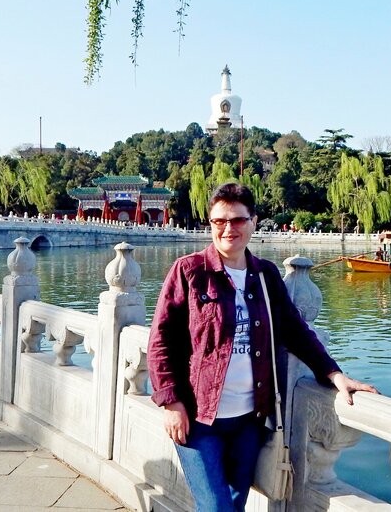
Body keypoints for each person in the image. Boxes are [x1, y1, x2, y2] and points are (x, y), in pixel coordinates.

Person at [148, 182, 378, 511]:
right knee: (215, 508)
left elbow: (296, 331)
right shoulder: (190, 271)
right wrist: (170, 402)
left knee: (236, 505)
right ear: (210, 224)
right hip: (199, 418)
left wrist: (333, 374)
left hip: (249, 420)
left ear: (253, 221)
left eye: (238, 220)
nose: (228, 229)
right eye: (219, 221)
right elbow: (161, 340)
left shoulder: (266, 275)